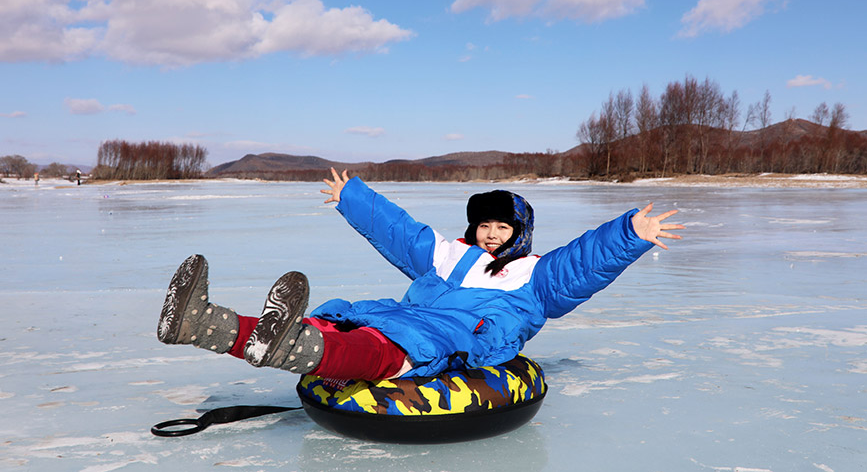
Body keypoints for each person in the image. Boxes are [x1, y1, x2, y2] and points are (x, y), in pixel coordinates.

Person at [158, 169, 684, 381]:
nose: (492, 234)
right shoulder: (450, 255)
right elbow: (401, 233)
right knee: (345, 318)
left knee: (389, 347)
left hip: (459, 336)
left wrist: (630, 232)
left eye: (503, 226)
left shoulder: (536, 276)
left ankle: (288, 344)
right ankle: (201, 322)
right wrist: (354, 198)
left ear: (519, 232)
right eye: (484, 225)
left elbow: (582, 265)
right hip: (407, 315)